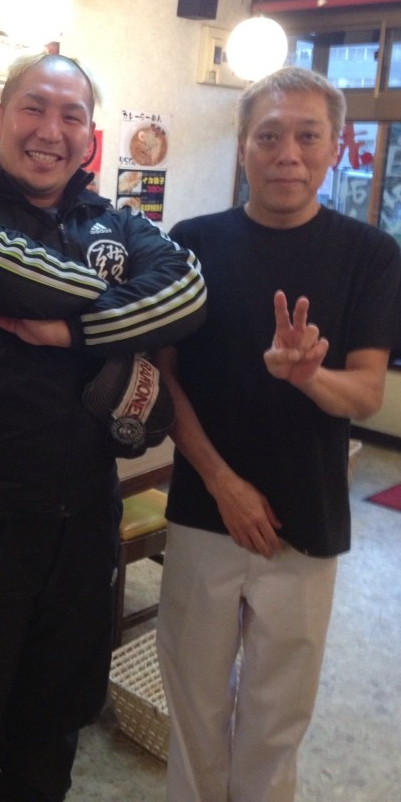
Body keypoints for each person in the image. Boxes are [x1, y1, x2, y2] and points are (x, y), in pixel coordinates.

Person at [0, 52, 207, 802]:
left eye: (72, 116)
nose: (51, 130)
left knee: (55, 720)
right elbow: (51, 281)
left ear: (90, 136)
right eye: (33, 108)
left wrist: (72, 333)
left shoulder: (120, 222)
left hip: (84, 515)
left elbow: (189, 291)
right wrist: (124, 306)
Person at [154, 66, 401, 802]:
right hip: (204, 508)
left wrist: (308, 378)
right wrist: (222, 482)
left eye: (307, 136)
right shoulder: (192, 242)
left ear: (336, 147)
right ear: (242, 147)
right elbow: (165, 380)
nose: (287, 153)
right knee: (192, 705)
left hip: (308, 514)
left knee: (276, 717)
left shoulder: (370, 254)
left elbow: (365, 392)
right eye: (268, 136)